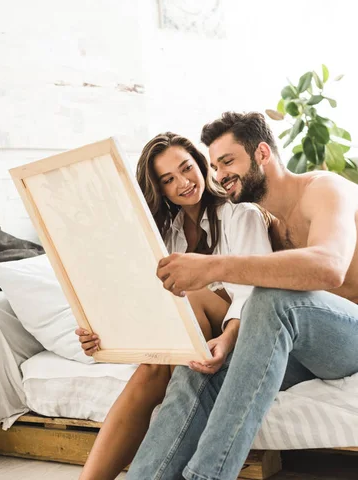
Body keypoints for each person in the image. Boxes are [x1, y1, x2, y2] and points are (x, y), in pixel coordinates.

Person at [126, 111, 358, 480]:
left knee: (272, 298)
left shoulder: (325, 189)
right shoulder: (266, 220)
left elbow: (329, 267)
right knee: (198, 370)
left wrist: (215, 267)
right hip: (303, 347)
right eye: (215, 166)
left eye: (228, 161)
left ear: (263, 153)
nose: (218, 175)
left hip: (350, 337)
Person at [75, 131, 273, 480]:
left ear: (200, 164)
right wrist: (101, 337)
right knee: (150, 371)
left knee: (186, 293)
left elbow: (255, 295)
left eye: (187, 168)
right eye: (168, 179)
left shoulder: (239, 213)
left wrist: (226, 341)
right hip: (190, 329)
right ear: (160, 189)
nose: (183, 182)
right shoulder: (167, 234)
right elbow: (145, 302)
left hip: (241, 327)